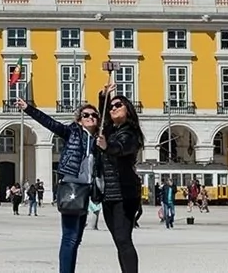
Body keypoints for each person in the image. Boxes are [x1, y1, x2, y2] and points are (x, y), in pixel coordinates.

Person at [16, 97, 100, 273]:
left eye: (94, 115)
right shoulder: (72, 132)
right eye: (86, 115)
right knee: (69, 237)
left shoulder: (98, 139)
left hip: (86, 188)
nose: (90, 117)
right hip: (71, 186)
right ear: (79, 119)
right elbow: (50, 124)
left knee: (77, 238)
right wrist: (28, 108)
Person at [97, 83, 144, 273]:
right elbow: (103, 122)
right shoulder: (111, 130)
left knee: (124, 240)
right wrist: (103, 97)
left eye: (118, 105)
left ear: (128, 110)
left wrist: (107, 147)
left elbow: (122, 148)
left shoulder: (131, 133)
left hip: (126, 194)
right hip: (109, 194)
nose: (113, 108)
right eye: (112, 106)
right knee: (119, 240)